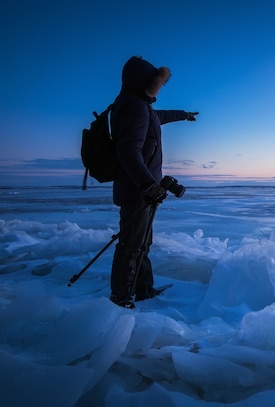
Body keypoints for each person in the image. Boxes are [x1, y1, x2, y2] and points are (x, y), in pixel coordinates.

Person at [109, 56, 198, 308]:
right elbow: (128, 151)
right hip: (139, 190)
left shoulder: (137, 106)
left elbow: (159, 115)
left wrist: (183, 115)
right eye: (155, 82)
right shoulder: (134, 107)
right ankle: (121, 298)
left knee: (141, 243)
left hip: (142, 189)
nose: (158, 87)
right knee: (131, 245)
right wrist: (148, 185)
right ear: (144, 81)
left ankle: (144, 289)